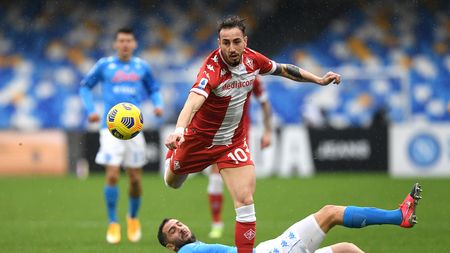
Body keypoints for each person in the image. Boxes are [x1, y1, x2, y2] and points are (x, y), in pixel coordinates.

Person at [164, 16, 341, 253]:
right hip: (198, 141)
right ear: (219, 42)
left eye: (236, 41)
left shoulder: (252, 60)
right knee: (172, 182)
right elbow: (193, 102)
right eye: (225, 43)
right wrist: (179, 131)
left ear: (245, 41)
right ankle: (172, 160)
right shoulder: (212, 69)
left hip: (231, 143)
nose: (231, 48)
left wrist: (318, 79)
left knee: (245, 201)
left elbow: (284, 70)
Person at [157, 183, 422, 253]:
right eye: (172, 231)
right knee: (329, 213)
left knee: (346, 249)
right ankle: (398, 215)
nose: (179, 228)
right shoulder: (189, 251)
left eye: (178, 224)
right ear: (170, 247)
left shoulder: (196, 247)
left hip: (266, 249)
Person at [79, 27, 163, 244]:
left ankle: (132, 218)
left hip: (135, 130)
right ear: (115, 44)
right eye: (121, 41)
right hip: (110, 129)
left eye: (129, 40)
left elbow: (153, 88)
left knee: (135, 178)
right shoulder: (105, 65)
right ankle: (113, 222)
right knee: (113, 175)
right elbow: (85, 87)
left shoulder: (141, 66)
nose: (125, 44)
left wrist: (158, 105)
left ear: (134, 44)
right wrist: (91, 111)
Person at [207, 76, 272, 239]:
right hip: (217, 134)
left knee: (244, 189)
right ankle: (216, 223)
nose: (232, 49)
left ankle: (245, 225)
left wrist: (268, 131)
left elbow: (264, 103)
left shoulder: (252, 76)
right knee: (215, 175)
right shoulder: (216, 74)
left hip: (239, 137)